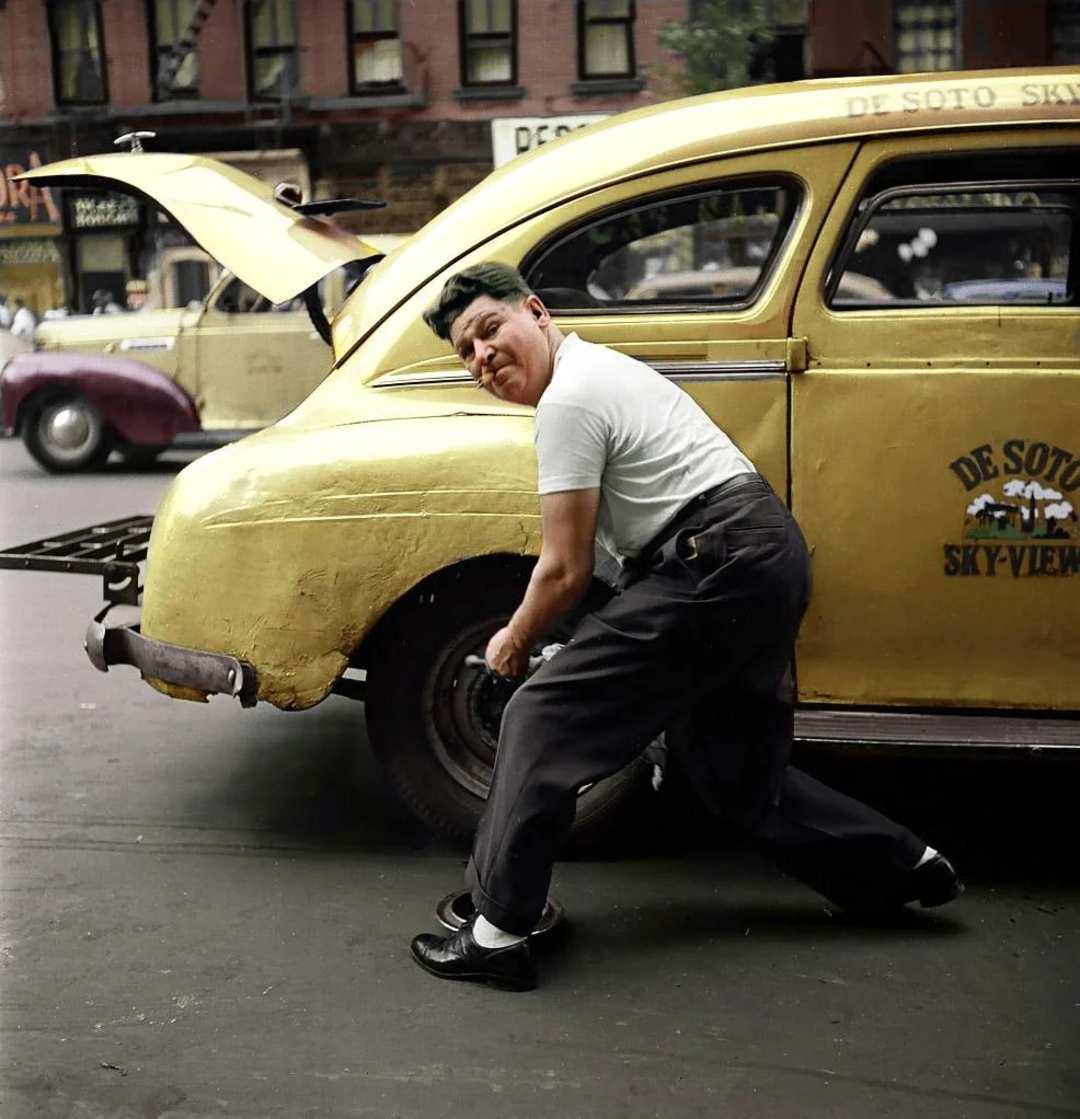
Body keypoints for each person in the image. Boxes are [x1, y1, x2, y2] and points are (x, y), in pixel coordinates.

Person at [408, 263, 964, 992]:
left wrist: (514, 637)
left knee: (542, 713)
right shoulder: (598, 374)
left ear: (537, 312)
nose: (481, 356)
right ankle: (902, 865)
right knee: (733, 774)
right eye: (465, 352)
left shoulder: (569, 398)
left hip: (713, 559)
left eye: (490, 330)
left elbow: (563, 570)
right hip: (757, 554)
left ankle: (499, 930)